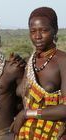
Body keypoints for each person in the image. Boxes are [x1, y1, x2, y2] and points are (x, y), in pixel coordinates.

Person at [11, 7, 66, 139]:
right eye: (33, 31)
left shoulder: (62, 61)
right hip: (25, 134)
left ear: (55, 30)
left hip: (53, 134)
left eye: (44, 30)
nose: (37, 36)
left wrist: (26, 114)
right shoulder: (29, 61)